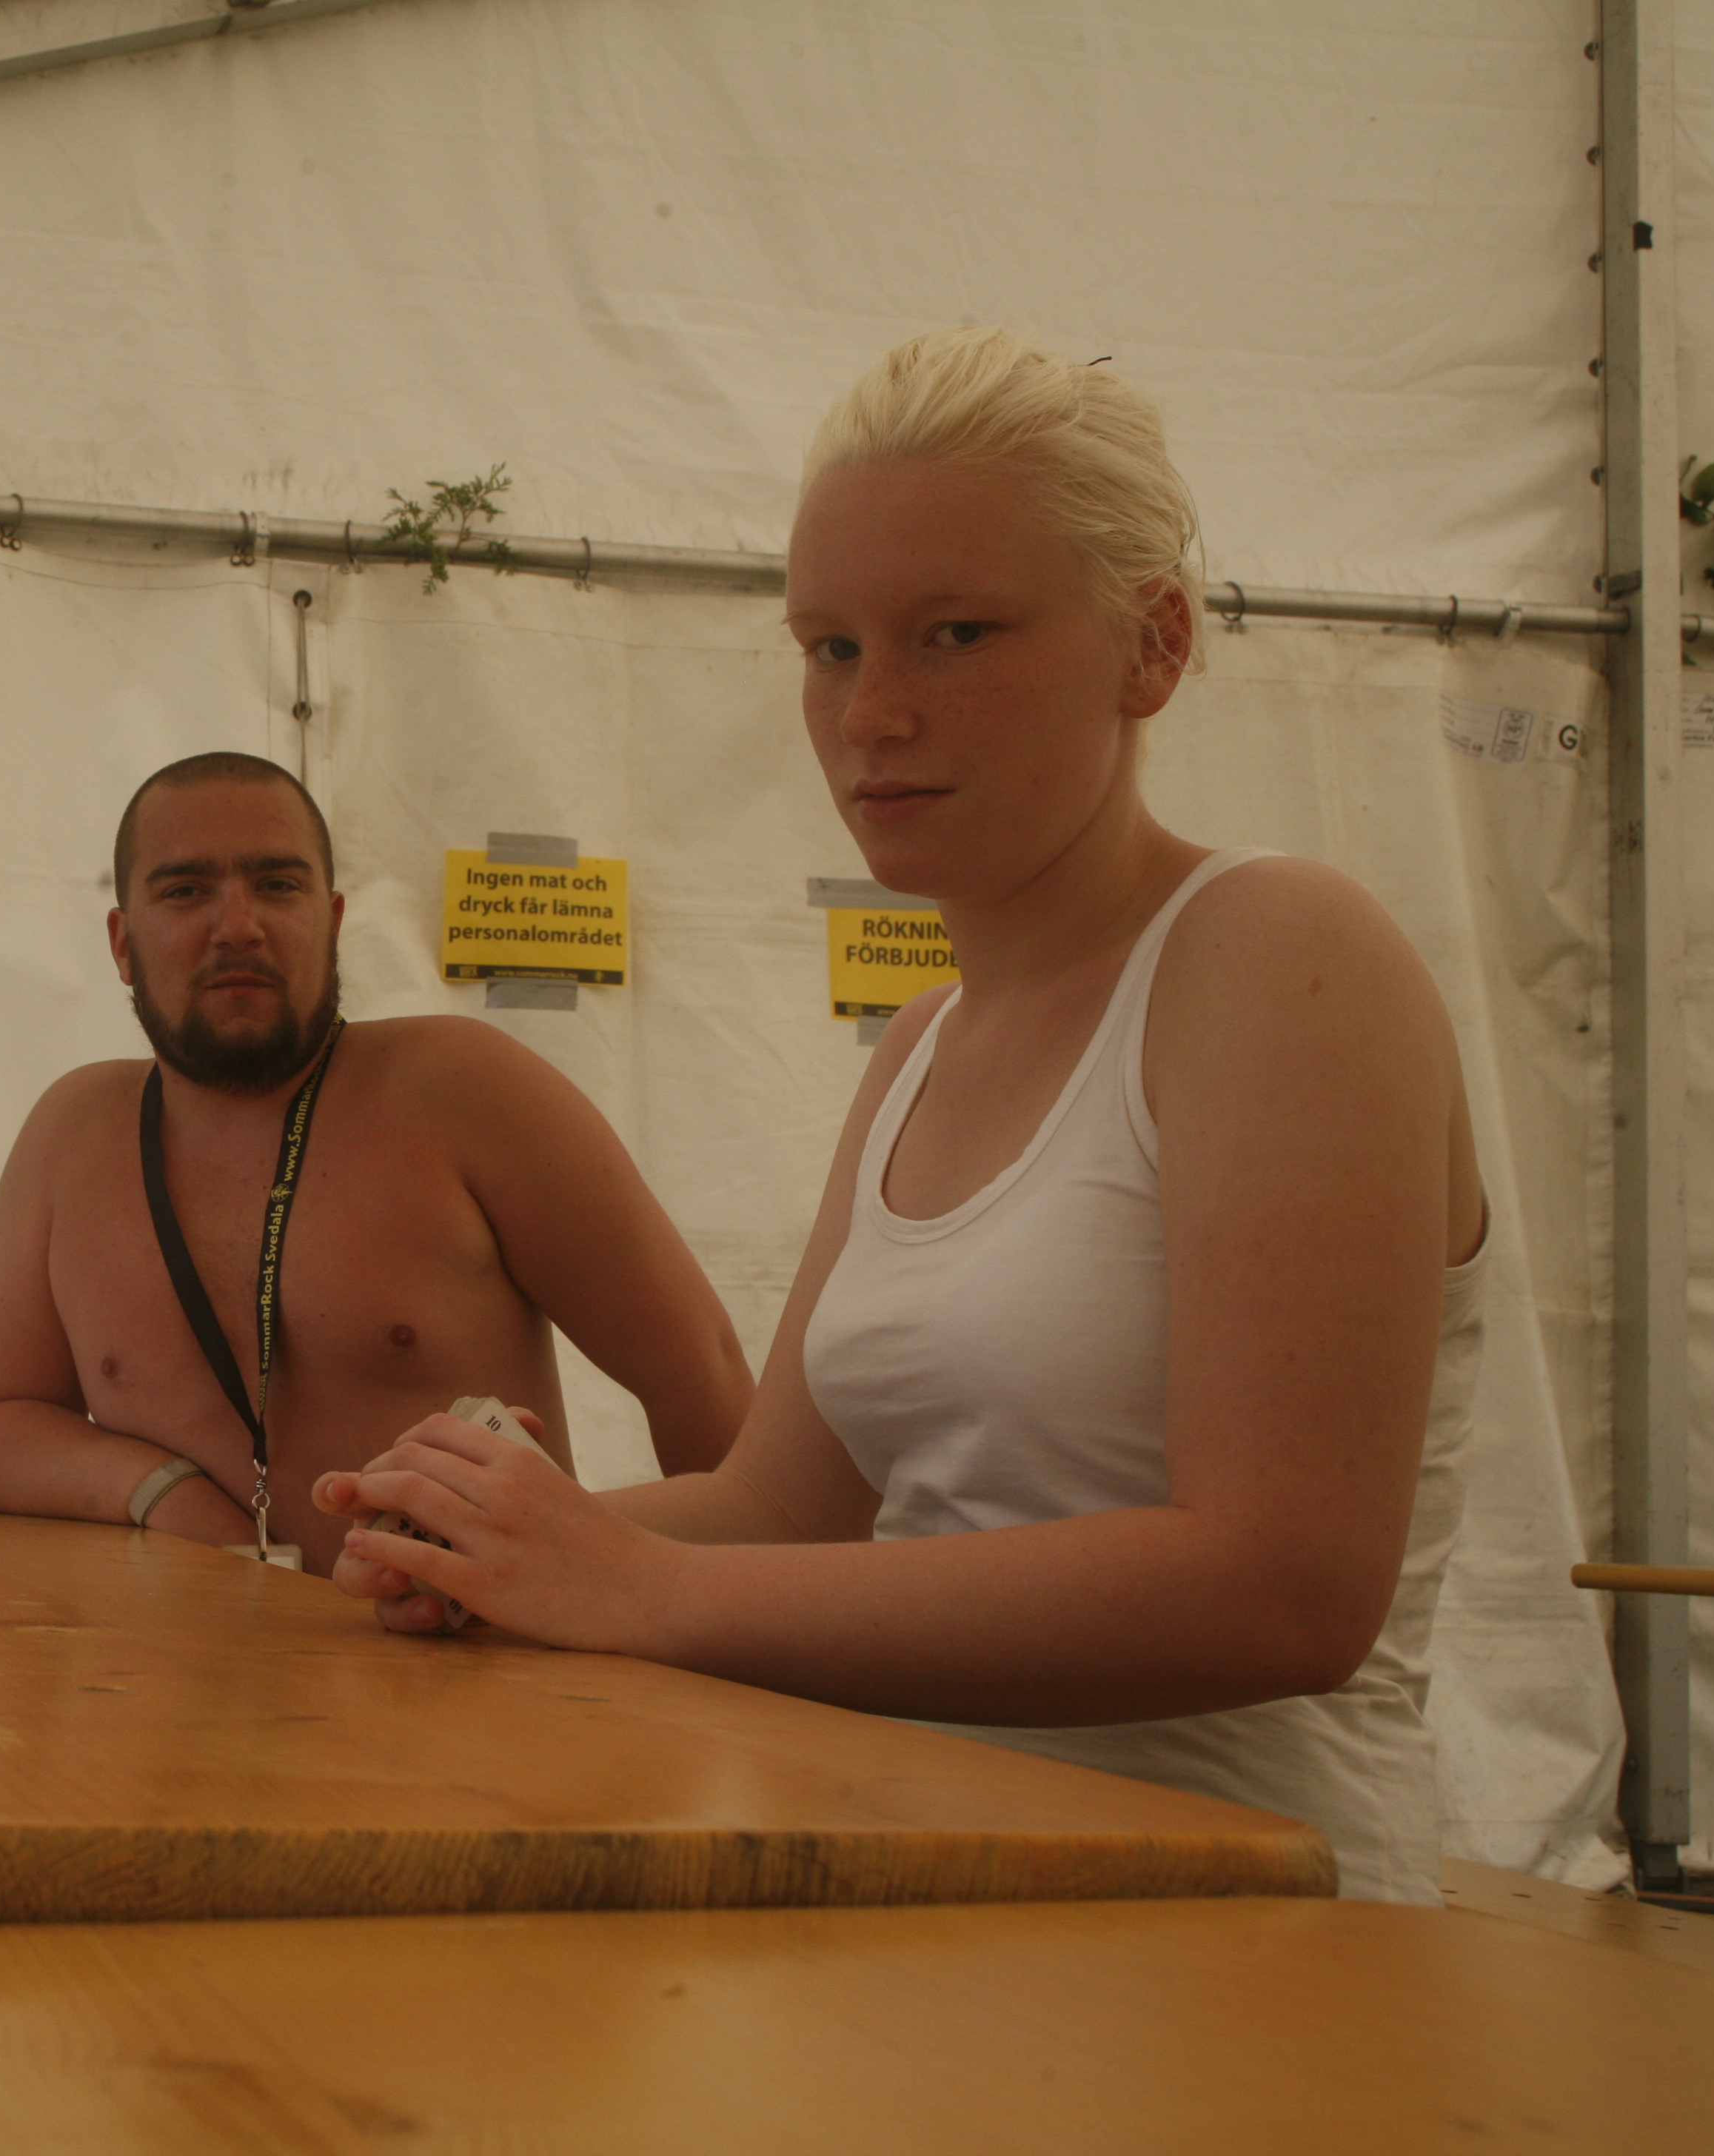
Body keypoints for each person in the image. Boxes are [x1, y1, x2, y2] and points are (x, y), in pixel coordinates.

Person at [315, 328, 1490, 1905]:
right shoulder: (926, 1042)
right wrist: (487, 1543)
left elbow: (1281, 1586)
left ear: (1151, 646)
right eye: (829, 647)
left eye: (955, 634)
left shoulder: (1280, 959)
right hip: (925, 1886)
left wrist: (635, 1587)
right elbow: (778, 1506)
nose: (870, 715)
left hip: (1244, 1933)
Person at [0, 751, 753, 1575]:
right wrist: (161, 1490)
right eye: (185, 890)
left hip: (480, 1649)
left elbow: (700, 1376)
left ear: (332, 921)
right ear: (123, 943)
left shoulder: (466, 1089)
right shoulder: (74, 1133)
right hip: (182, 1650)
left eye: (277, 884)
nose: (238, 925)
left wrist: (696, 1612)